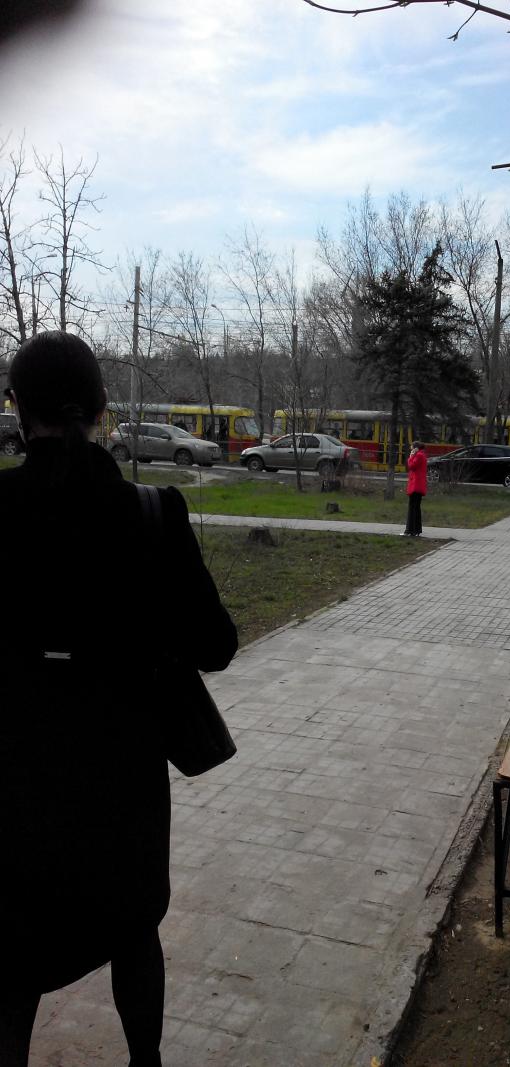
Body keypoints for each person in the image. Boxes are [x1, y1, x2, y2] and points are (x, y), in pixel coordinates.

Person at [0, 332, 238, 1067]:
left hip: (14, 789)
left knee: (11, 957)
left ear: (17, 409)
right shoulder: (151, 513)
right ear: (102, 407)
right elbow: (217, 646)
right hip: (123, 788)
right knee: (134, 930)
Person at [404, 440, 428, 537]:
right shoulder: (422, 455)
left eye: (411, 447)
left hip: (415, 485)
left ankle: (410, 530)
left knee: (412, 507)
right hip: (419, 485)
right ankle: (416, 530)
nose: (410, 448)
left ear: (415, 448)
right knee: (416, 507)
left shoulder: (418, 456)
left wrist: (411, 456)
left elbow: (411, 466)